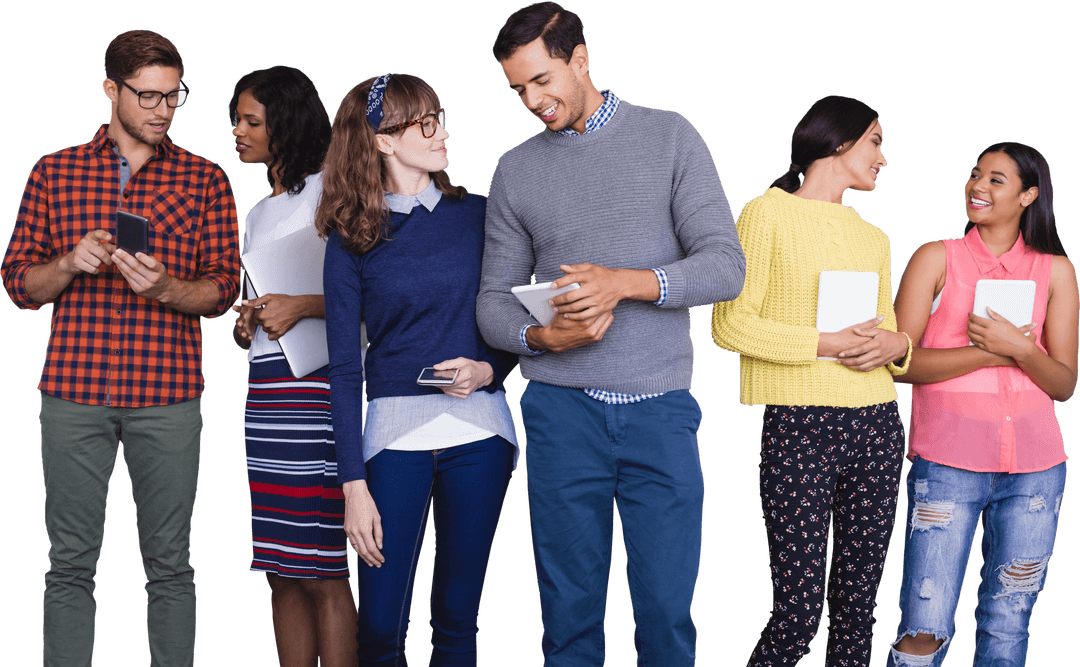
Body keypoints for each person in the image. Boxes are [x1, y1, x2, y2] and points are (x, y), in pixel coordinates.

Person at [477, 4, 746, 665]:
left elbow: (725, 265)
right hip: (560, 414)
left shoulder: (670, 137)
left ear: (580, 59)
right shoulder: (515, 169)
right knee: (567, 616)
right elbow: (491, 303)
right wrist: (542, 339)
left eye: (543, 80)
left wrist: (625, 283)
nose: (533, 101)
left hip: (659, 410)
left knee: (665, 613)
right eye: (518, 90)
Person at [0, 30, 240, 667]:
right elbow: (18, 283)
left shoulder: (205, 179)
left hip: (167, 398)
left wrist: (165, 287)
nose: (163, 109)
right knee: (69, 564)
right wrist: (69, 263)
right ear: (112, 90)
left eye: (174, 96)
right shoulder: (54, 171)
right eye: (149, 96)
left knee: (170, 566)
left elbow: (221, 290)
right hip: (72, 395)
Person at [316, 73, 519, 667]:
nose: (443, 132)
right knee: (379, 631)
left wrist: (488, 370)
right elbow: (343, 369)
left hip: (481, 435)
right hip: (392, 441)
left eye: (441, 117)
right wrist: (353, 487)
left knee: (457, 622)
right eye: (425, 123)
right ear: (382, 140)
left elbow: (513, 321)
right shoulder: (349, 238)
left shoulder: (480, 215)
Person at [711, 95, 911, 666]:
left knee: (857, 610)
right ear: (839, 143)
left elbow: (890, 336)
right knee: (796, 613)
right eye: (876, 142)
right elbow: (730, 325)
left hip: (876, 425)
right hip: (800, 428)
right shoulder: (764, 214)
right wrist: (825, 345)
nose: (884, 158)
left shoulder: (874, 238)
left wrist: (896, 347)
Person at [885, 142, 1077, 667]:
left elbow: (1063, 383)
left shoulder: (1055, 270)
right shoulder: (936, 257)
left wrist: (1019, 348)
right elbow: (900, 362)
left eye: (996, 180)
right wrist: (984, 352)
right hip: (948, 464)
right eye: (975, 176)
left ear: (1028, 195)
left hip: (1037, 471)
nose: (978, 188)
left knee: (1008, 623)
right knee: (924, 627)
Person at [228, 65, 358, 667]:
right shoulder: (257, 211)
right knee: (279, 567)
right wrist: (247, 320)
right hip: (266, 394)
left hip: (316, 392)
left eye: (252, 121)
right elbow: (264, 301)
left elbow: (378, 296)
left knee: (322, 566)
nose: (238, 131)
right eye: (236, 119)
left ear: (287, 123)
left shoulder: (334, 189)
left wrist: (301, 305)